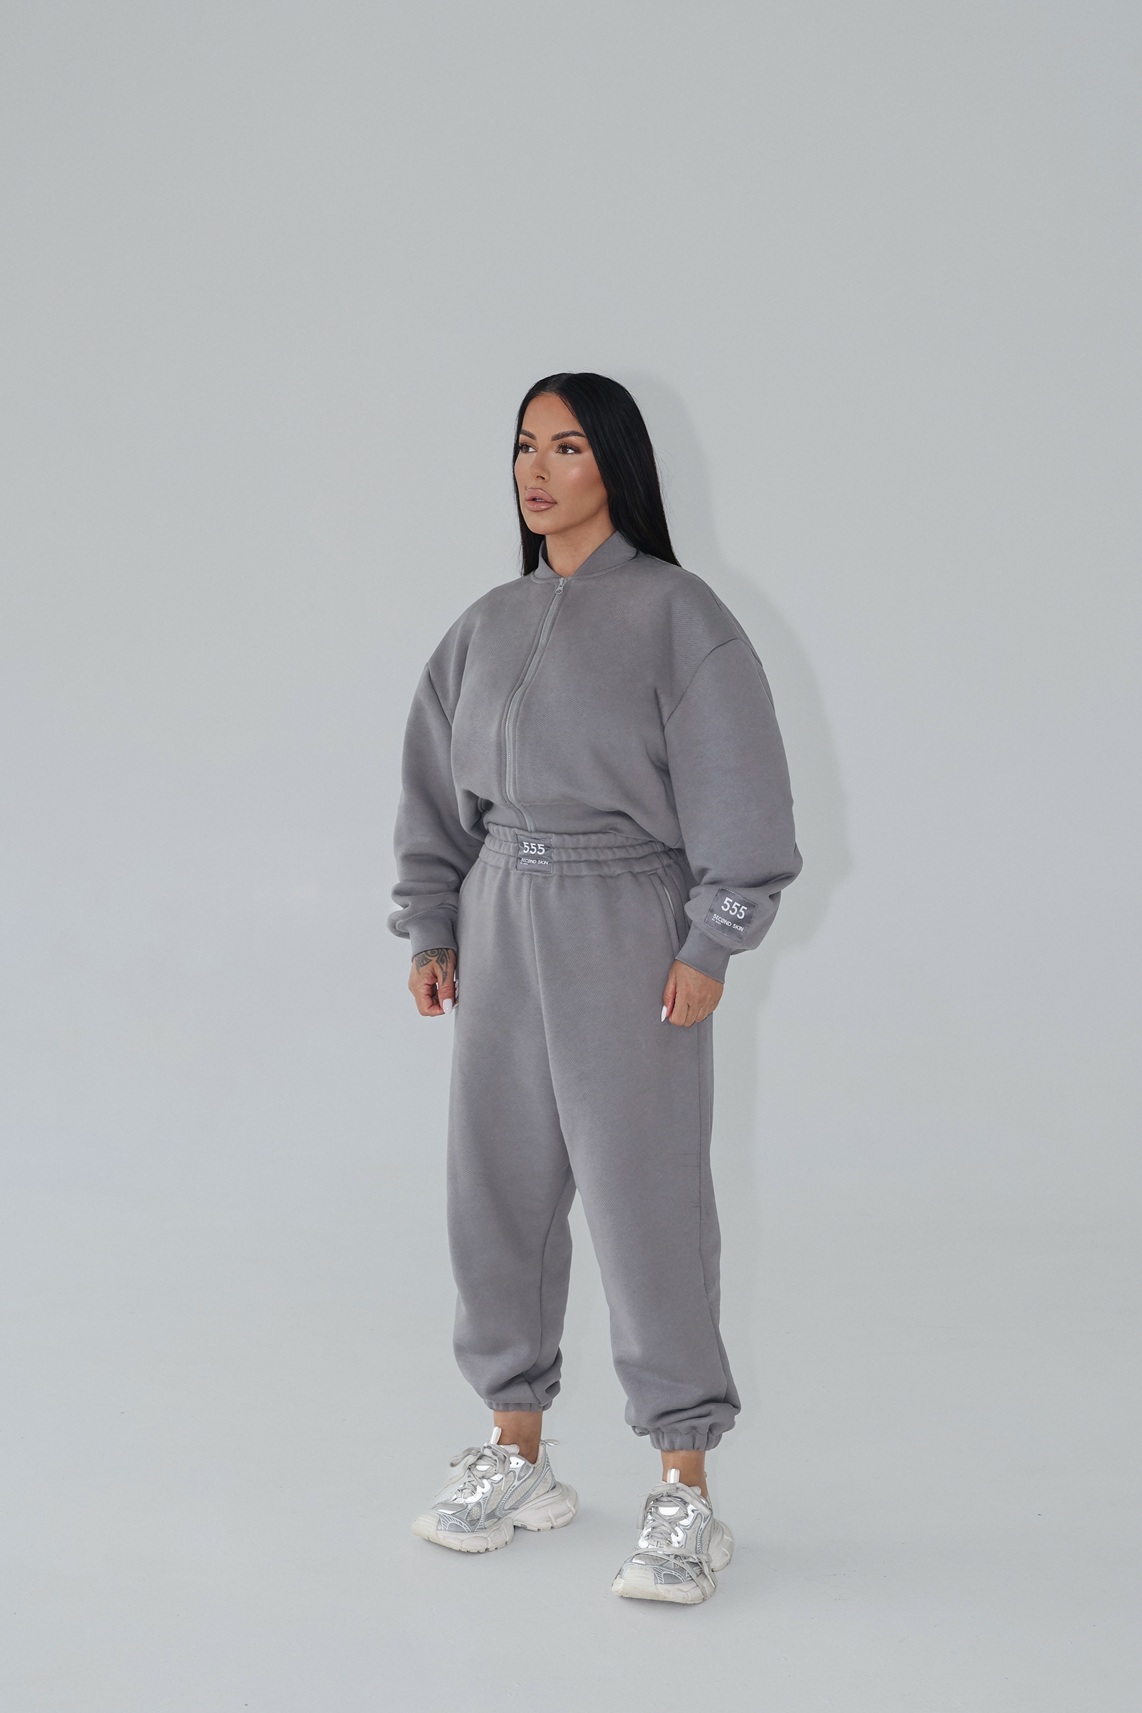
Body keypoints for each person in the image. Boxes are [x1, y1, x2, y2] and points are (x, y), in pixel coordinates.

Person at [387, 371, 802, 1604]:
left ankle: (684, 1489)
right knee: (496, 1192)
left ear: (614, 464)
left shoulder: (678, 615)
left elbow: (744, 799)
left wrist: (709, 944)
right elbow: (432, 792)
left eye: (565, 447)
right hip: (498, 919)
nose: (536, 469)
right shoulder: (485, 625)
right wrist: (430, 925)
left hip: (625, 924)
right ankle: (517, 1454)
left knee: (643, 1200)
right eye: (524, 445)